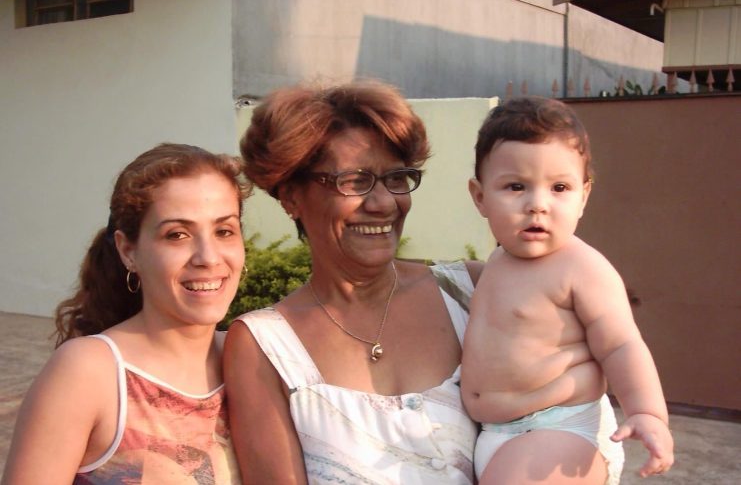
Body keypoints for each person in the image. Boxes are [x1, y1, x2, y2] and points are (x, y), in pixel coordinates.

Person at [225, 80, 483, 484]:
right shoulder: (264, 346)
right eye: (355, 181)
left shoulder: (474, 292)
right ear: (291, 197)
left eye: (396, 178)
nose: (383, 203)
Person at [2, 143, 249, 484]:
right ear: (128, 250)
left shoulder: (251, 359)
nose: (208, 257)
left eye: (224, 231)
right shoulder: (89, 372)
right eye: (177, 235)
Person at [462, 96, 674, 484]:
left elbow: (621, 345)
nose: (537, 205)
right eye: (515, 187)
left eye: (559, 187)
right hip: (494, 434)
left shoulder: (582, 268)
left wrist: (647, 413)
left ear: (583, 197)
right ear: (480, 197)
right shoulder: (498, 261)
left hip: (560, 428)